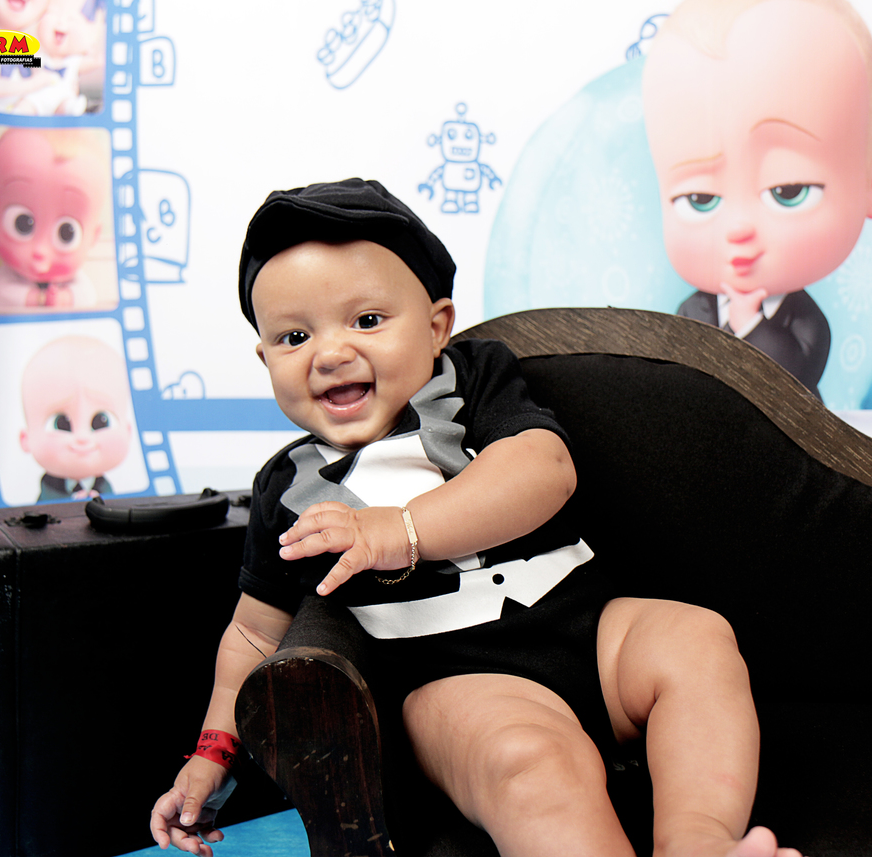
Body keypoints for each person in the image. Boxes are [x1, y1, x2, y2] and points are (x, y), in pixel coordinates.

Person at [149, 179, 800, 857]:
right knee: (528, 761)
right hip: (455, 684)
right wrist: (212, 755)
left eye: (367, 321)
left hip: (587, 633)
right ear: (265, 358)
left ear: (436, 327)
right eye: (294, 336)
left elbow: (543, 468)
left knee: (695, 638)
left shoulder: (470, 383)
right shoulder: (288, 489)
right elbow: (254, 635)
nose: (331, 353)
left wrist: (399, 529)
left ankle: (699, 841)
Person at [641, 0, 872, 397]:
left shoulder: (805, 321)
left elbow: (796, 373)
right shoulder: (693, 312)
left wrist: (750, 325)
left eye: (788, 192)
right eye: (700, 198)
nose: (739, 228)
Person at [0, 127, 109, 310]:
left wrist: (65, 298)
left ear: (93, 237)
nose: (40, 250)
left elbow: (87, 294)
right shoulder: (9, 276)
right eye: (22, 224)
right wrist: (37, 299)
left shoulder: (73, 279)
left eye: (66, 233)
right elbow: (0, 296)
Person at [19, 335, 132, 500]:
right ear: (26, 438)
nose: (82, 438)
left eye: (101, 422)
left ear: (128, 431)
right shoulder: (49, 490)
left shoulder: (104, 487)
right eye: (61, 424)